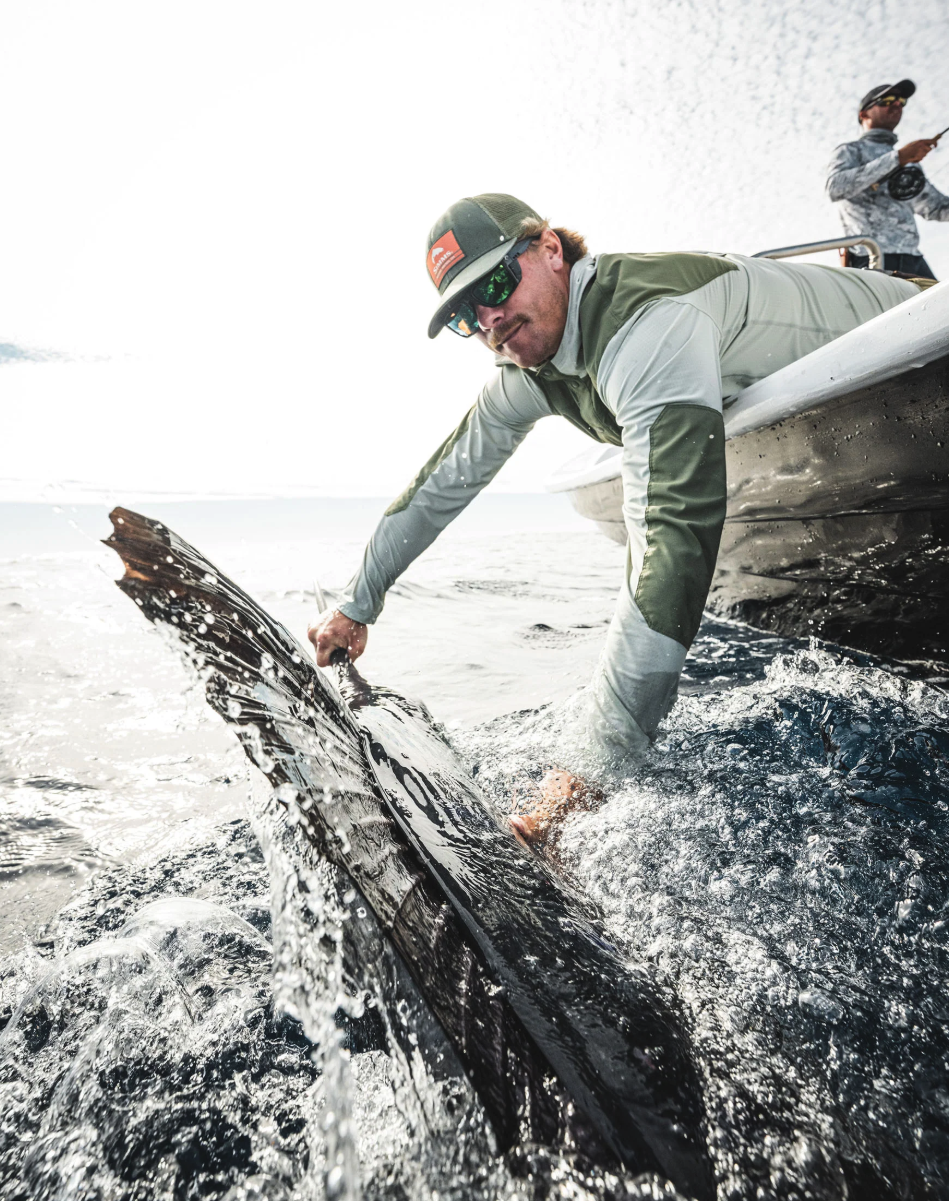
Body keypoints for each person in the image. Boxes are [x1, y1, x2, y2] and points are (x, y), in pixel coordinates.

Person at [309, 194, 920, 841]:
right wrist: (356, 604)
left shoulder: (646, 323)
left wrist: (579, 785)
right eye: (466, 314)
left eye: (494, 283)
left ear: (549, 250)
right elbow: (442, 483)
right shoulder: (528, 367)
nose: (488, 316)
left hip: (910, 320)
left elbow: (671, 543)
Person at [826, 79, 948, 278]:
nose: (896, 104)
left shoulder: (911, 162)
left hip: (914, 259)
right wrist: (898, 158)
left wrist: (903, 159)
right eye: (887, 100)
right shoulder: (850, 151)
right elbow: (836, 187)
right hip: (871, 258)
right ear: (863, 114)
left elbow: (935, 207)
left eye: (901, 101)